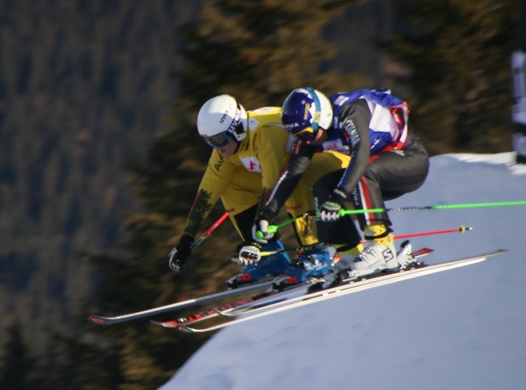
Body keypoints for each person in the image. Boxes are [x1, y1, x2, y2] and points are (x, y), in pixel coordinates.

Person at [247, 86, 429, 279]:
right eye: (298, 136)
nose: (304, 140)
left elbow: (361, 152)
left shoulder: (349, 111)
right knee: (323, 186)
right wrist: (267, 215)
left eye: (307, 133)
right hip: (376, 174)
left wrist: (340, 195)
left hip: (411, 161)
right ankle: (349, 253)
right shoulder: (310, 136)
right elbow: (292, 173)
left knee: (361, 173)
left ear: (322, 118)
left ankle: (382, 247)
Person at [167, 94, 347, 285]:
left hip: (335, 161)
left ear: (235, 129)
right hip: (293, 169)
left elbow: (272, 184)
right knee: (229, 185)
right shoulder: (228, 146)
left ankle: (316, 253)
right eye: (209, 141)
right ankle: (271, 257)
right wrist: (187, 237)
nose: (216, 147)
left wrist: (255, 241)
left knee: (291, 178)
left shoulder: (263, 133)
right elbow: (208, 190)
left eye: (218, 140)